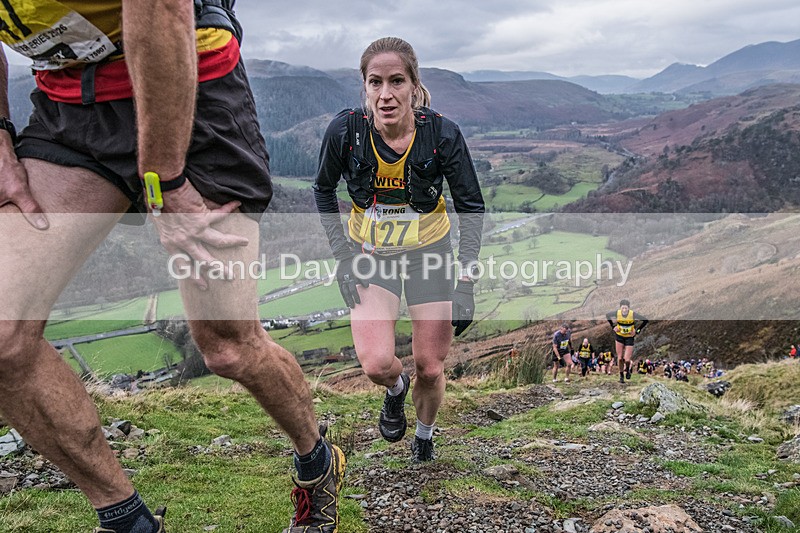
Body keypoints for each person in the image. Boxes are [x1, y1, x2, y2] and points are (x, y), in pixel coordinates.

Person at [0, 3, 343, 532]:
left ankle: (316, 461)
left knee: (229, 347)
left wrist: (165, 182)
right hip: (74, 106)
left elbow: (160, 7)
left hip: (190, 89)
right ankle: (125, 521)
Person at [313, 37, 484, 463]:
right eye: (375, 82)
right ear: (364, 87)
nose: (385, 94)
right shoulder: (345, 132)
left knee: (430, 364)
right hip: (369, 254)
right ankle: (395, 388)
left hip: (429, 254)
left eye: (396, 81)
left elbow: (471, 207)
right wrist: (343, 258)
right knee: (375, 363)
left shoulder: (442, 134)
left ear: (413, 85)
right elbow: (321, 190)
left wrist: (465, 281)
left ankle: (424, 436)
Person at [606, 299, 648, 384]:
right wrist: (613, 326)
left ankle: (628, 370)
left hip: (629, 337)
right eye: (623, 308)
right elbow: (607, 315)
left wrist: (637, 331)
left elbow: (645, 320)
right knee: (620, 358)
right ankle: (621, 375)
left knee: (627, 359)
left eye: (626, 308)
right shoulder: (617, 313)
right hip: (619, 336)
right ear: (620, 308)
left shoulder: (632, 314)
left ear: (628, 308)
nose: (624, 310)